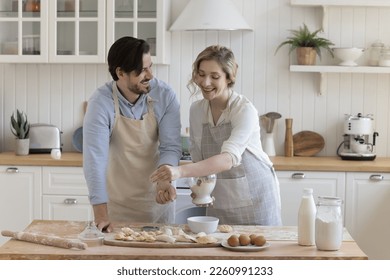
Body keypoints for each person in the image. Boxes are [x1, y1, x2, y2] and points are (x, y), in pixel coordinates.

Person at [151, 45, 282, 226]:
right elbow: (199, 160)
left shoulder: (244, 110)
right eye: (201, 74)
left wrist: (179, 171)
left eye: (215, 76)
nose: (205, 83)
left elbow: (228, 159)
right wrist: (197, 187)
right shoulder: (197, 110)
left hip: (256, 199)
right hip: (218, 199)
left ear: (230, 77)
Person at [83, 36, 182, 232]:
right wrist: (101, 215)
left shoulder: (165, 95)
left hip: (157, 203)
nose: (150, 75)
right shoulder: (101, 103)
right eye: (142, 70)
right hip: (116, 209)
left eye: (150, 67)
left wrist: (165, 179)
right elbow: (95, 160)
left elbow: (170, 146)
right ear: (120, 72)